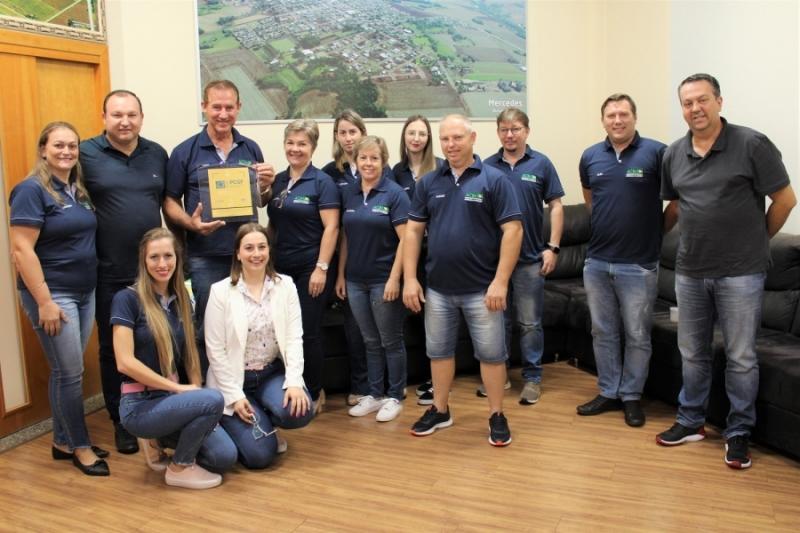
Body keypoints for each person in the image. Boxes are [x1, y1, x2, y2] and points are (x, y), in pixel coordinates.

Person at [657, 73, 797, 469]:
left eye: (702, 100)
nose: (695, 108)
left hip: (741, 274)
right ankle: (691, 421)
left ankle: (738, 432)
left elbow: (785, 200)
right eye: (687, 103)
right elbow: (675, 205)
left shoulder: (751, 144)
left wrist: (759, 240)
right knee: (692, 352)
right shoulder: (674, 154)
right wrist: (651, 242)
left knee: (740, 356)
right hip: (690, 272)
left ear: (719, 101)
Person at [403, 114, 523, 446]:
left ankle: (496, 414)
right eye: (445, 139)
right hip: (438, 289)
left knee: (492, 355)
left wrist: (500, 281)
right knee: (438, 352)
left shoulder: (494, 180)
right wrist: (410, 278)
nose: (451, 145)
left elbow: (513, 231)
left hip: (483, 290)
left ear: (472, 138)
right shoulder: (428, 182)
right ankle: (440, 410)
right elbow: (413, 232)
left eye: (457, 137)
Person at [9, 122, 108, 476]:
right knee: (70, 373)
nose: (66, 152)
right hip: (54, 294)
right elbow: (21, 250)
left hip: (84, 291)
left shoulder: (76, 189)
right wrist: (45, 301)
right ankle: (80, 446)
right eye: (58, 145)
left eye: (72, 146)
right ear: (43, 149)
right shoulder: (31, 190)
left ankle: (62, 441)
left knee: (65, 371)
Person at [164, 79, 275, 373]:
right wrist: (190, 224)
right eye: (216, 107)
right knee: (207, 326)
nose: (223, 114)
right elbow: (169, 201)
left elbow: (261, 200)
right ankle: (207, 389)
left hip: (247, 256)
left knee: (249, 323)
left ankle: (244, 386)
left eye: (229, 107)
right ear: (204, 107)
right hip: (205, 255)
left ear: (238, 108)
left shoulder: (250, 148)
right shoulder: (185, 151)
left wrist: (266, 186)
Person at [112, 228, 237, 489]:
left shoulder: (181, 299)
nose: (162, 264)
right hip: (140, 404)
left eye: (168, 256)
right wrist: (179, 389)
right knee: (214, 399)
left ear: (177, 258)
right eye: (154, 257)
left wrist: (196, 396)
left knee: (224, 456)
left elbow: (190, 354)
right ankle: (180, 467)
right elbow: (124, 362)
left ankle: (160, 439)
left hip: (172, 401)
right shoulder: (126, 299)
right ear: (144, 261)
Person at [81, 89, 168, 454]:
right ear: (104, 117)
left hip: (154, 272)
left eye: (132, 114)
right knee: (112, 349)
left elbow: (167, 203)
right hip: (109, 271)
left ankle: (159, 412)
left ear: (141, 118)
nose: (125, 121)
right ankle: (121, 420)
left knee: (159, 339)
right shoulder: (84, 154)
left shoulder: (157, 153)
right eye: (117, 114)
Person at [574, 94, 666, 427]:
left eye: (623, 114)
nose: (617, 120)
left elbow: (676, 201)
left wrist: (656, 231)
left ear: (634, 117)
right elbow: (591, 199)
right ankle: (608, 391)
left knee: (638, 334)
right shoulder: (590, 156)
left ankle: (631, 396)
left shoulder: (657, 153)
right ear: (603, 120)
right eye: (611, 115)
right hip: (597, 262)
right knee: (603, 331)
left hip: (639, 264)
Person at [205, 223, 313, 468]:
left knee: (299, 410)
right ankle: (228, 420)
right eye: (249, 248)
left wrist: (294, 382)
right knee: (260, 457)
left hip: (269, 374)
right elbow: (215, 350)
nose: (256, 254)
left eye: (262, 247)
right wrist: (234, 396)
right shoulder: (220, 291)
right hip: (234, 380)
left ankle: (263, 418)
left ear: (269, 250)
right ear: (238, 253)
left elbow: (294, 338)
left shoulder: (286, 286)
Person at [484, 107, 564, 405]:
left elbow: (556, 206)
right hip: (495, 263)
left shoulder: (541, 163)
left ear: (526, 131)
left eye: (515, 129)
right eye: (504, 130)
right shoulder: (487, 167)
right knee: (498, 323)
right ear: (498, 133)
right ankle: (499, 376)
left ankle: (532, 379)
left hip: (530, 260)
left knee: (530, 323)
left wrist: (553, 248)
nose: (510, 135)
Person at [267, 119, 340, 413]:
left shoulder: (322, 183)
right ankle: (289, 385)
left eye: (302, 144)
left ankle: (315, 389)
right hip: (280, 268)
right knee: (282, 331)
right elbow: (274, 223)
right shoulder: (279, 180)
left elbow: (332, 227)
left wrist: (321, 268)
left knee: (307, 331)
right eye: (291, 143)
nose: (295, 149)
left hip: (311, 268)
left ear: (313, 147)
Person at [336, 136, 410, 422]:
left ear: (384, 161)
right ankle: (375, 394)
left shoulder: (394, 194)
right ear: (356, 161)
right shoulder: (350, 193)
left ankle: (395, 395)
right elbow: (345, 238)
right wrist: (341, 275)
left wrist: (395, 279)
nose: (368, 163)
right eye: (363, 158)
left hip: (383, 280)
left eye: (374, 158)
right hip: (355, 280)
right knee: (369, 340)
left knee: (390, 340)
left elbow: (407, 240)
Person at [391, 115, 443, 406]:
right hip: (407, 251)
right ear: (404, 137)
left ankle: (436, 381)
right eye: (411, 133)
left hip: (436, 252)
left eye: (422, 133)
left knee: (433, 318)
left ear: (428, 138)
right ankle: (410, 379)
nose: (416, 138)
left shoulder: (440, 167)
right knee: (409, 315)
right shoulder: (395, 172)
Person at [322, 109, 369, 407]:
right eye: (343, 132)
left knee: (379, 329)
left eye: (353, 131)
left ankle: (384, 385)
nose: (349, 138)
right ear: (336, 137)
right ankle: (360, 384)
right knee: (354, 328)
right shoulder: (329, 173)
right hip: (344, 259)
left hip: (374, 257)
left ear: (362, 133)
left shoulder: (376, 166)